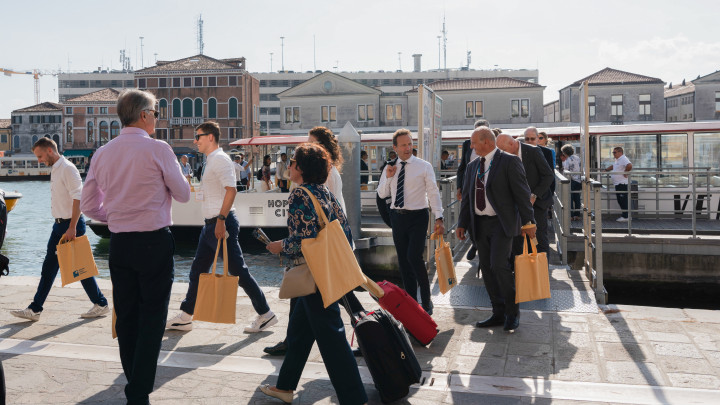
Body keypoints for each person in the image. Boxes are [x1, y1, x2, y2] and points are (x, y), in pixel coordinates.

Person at [80, 89, 191, 404]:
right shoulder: (158, 149)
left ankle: (135, 384)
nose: (156, 118)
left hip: (120, 242)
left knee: (126, 316)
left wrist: (114, 215)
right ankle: (138, 391)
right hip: (153, 241)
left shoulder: (102, 153)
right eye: (155, 113)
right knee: (152, 317)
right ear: (144, 115)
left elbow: (88, 204)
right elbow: (183, 195)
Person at [262, 143, 368, 405]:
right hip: (326, 271)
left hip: (313, 275)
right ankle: (285, 387)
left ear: (302, 168)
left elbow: (305, 240)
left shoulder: (300, 195)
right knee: (300, 333)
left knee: (332, 338)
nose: (289, 165)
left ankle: (354, 398)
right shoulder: (324, 192)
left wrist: (280, 246)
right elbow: (343, 232)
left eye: (293, 162)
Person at [167, 121, 278, 333]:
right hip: (211, 225)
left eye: (198, 136)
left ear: (210, 137)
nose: (195, 140)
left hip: (220, 224)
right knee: (198, 270)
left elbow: (231, 190)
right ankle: (186, 316)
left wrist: (220, 220)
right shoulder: (212, 160)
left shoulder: (220, 160)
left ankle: (265, 313)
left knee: (238, 271)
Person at [10, 137, 109, 323]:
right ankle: (36, 308)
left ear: (49, 150)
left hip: (70, 225)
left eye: (40, 156)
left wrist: (72, 227)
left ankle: (100, 303)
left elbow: (78, 198)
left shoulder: (68, 168)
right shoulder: (56, 169)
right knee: (51, 268)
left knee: (79, 267)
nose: (39, 160)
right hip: (59, 225)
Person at [456, 127, 536, 331]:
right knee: (487, 269)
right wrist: (462, 223)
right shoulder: (473, 165)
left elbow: (522, 194)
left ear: (487, 142)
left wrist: (529, 222)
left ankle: (512, 312)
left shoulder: (509, 161)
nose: (471, 147)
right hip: (479, 224)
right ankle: (497, 312)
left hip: (502, 223)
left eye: (474, 143)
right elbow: (467, 197)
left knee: (499, 265)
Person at [377, 129, 444, 315]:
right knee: (404, 262)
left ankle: (427, 299)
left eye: (410, 144)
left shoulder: (424, 166)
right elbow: (382, 194)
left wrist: (439, 217)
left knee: (414, 257)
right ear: (395, 148)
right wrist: (388, 177)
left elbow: (433, 192)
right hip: (397, 217)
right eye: (403, 145)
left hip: (418, 217)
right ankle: (412, 304)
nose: (407, 148)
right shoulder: (389, 167)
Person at [496, 133, 554, 256]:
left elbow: (548, 176)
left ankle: (541, 273)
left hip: (537, 203)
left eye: (504, 150)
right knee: (517, 240)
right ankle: (519, 272)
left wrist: (534, 195)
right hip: (516, 205)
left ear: (512, 144)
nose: (502, 153)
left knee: (538, 240)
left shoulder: (533, 151)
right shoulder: (504, 156)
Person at [456, 119, 490, 261]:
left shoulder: (493, 145)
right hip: (470, 184)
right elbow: (462, 166)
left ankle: (479, 245)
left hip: (487, 185)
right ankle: (475, 243)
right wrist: (459, 187)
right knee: (469, 214)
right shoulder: (467, 144)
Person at [605, 146, 632, 221]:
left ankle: (626, 217)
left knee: (623, 200)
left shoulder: (623, 158)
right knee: (620, 200)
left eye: (615, 152)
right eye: (613, 152)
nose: (613, 154)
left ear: (620, 152)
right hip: (618, 183)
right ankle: (625, 215)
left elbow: (629, 165)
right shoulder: (618, 160)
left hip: (622, 183)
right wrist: (606, 170)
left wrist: (626, 172)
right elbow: (614, 166)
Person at [561, 144, 582, 220]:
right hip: (579, 180)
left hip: (571, 180)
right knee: (577, 198)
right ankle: (577, 215)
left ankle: (571, 216)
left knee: (569, 198)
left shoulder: (568, 160)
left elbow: (566, 170)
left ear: (564, 152)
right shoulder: (577, 157)